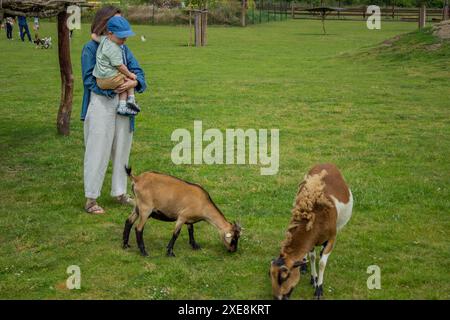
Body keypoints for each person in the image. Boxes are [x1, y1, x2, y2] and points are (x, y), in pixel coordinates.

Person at [81, 6, 147, 215]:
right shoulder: (90, 48)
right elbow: (89, 79)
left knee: (123, 149)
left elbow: (138, 73)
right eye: (114, 22)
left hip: (123, 107)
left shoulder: (123, 48)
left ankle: (119, 192)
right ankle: (91, 198)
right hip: (101, 104)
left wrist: (133, 84)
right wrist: (117, 86)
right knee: (97, 151)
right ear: (105, 26)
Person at [91, 16, 140, 116]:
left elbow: (94, 36)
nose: (125, 39)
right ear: (110, 33)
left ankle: (122, 106)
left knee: (122, 85)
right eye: (121, 37)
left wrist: (93, 34)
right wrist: (131, 75)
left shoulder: (104, 39)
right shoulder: (115, 49)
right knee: (128, 79)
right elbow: (120, 66)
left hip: (99, 80)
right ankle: (130, 100)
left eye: (126, 37)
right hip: (109, 78)